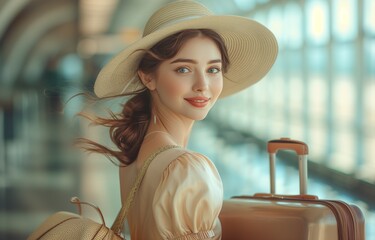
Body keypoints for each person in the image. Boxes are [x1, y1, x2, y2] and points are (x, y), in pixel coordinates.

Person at [79, 0, 278, 239]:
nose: (202, 86)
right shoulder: (185, 168)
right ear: (148, 78)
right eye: (184, 69)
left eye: (213, 69)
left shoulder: (137, 149)